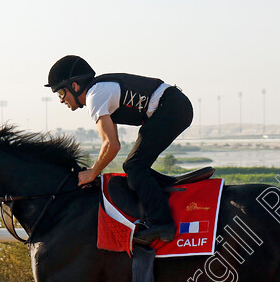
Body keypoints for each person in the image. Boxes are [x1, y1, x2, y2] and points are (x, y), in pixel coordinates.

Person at [46, 55, 194, 244]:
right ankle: (167, 190)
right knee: (135, 167)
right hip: (173, 105)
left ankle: (163, 224)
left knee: (134, 167)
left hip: (171, 107)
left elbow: (112, 146)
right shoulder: (100, 91)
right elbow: (110, 143)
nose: (61, 100)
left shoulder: (95, 96)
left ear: (74, 86)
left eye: (60, 93)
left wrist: (93, 173)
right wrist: (94, 169)